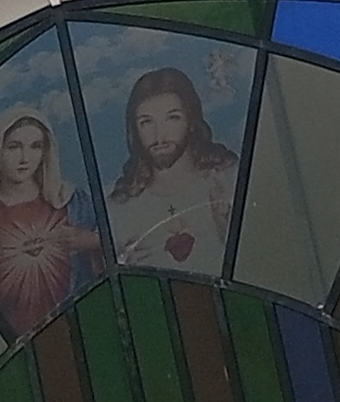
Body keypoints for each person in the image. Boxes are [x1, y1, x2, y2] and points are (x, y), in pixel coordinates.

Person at [0, 107, 105, 335]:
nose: (25, 159)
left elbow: (123, 246)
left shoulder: (72, 202)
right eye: (14, 147)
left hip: (82, 329)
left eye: (36, 146)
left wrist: (92, 241)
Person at [105, 60, 244, 272]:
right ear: (134, 130)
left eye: (172, 118)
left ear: (191, 121)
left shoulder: (230, 179)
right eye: (146, 122)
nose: (159, 136)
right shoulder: (119, 209)